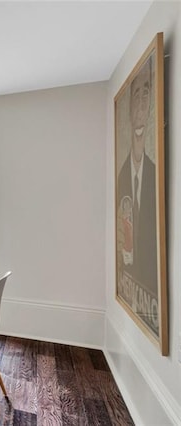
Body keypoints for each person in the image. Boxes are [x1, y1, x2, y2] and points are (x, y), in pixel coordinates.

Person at [117, 56, 158, 300]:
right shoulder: (122, 175)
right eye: (136, 96)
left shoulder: (154, 173)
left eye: (147, 93)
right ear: (129, 107)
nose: (142, 104)